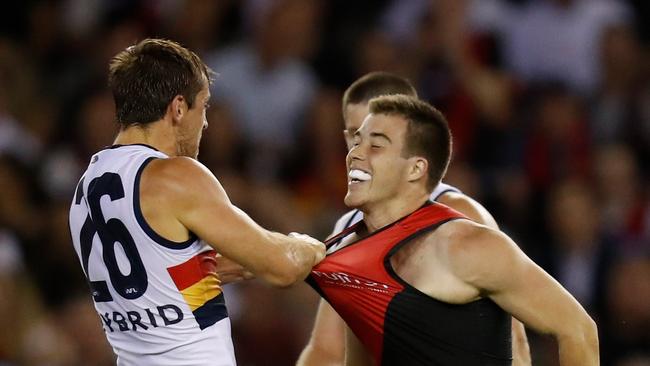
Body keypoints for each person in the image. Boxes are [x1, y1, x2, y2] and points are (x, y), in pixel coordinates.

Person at [68, 38, 325, 366]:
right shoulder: (175, 175)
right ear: (177, 108)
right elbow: (284, 269)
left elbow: (152, 283)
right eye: (203, 106)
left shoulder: (84, 188)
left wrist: (219, 265)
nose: (204, 122)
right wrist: (306, 247)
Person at [305, 94, 598, 365]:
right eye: (356, 142)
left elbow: (577, 330)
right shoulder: (354, 257)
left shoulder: (466, 243)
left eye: (376, 144)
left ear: (416, 169)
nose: (355, 153)